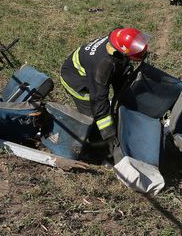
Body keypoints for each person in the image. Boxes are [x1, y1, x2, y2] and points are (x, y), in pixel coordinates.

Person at [60, 28, 150, 159]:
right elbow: (98, 100)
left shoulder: (118, 39)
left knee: (124, 92)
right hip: (77, 81)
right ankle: (97, 149)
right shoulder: (102, 66)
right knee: (92, 116)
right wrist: (109, 134)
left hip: (96, 68)